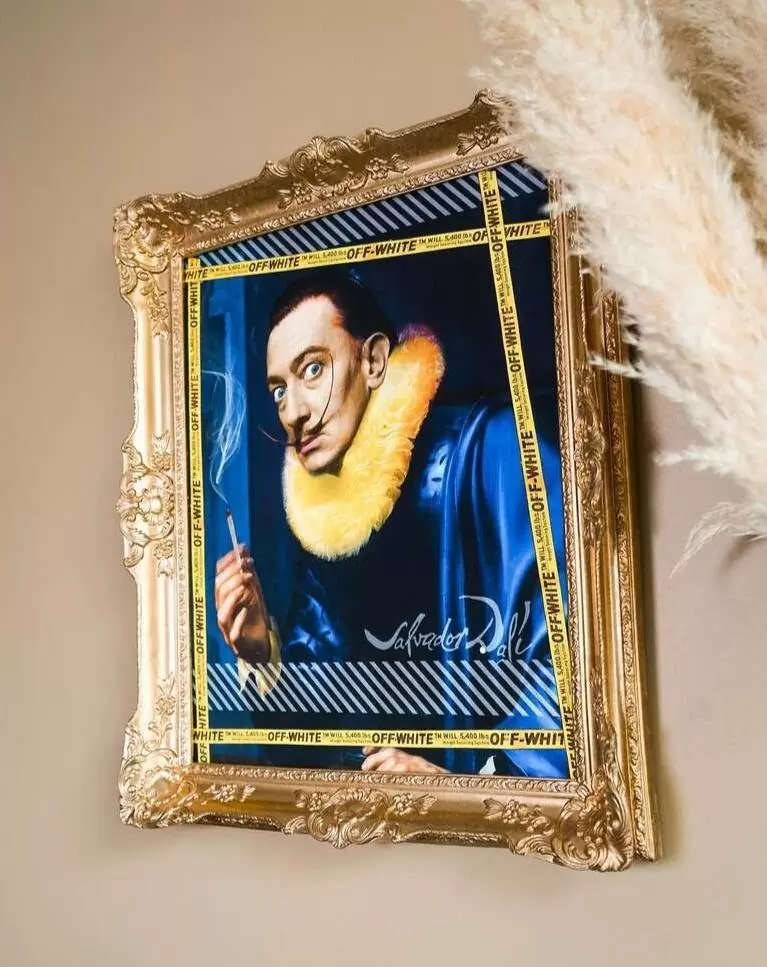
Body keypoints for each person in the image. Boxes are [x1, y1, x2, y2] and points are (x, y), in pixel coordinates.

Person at [214, 268, 568, 777]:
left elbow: (580, 661)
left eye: (312, 369)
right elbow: (315, 718)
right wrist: (260, 653)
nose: (293, 412)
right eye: (278, 391)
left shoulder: (497, 450)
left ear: (375, 361)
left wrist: (466, 791)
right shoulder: (333, 523)